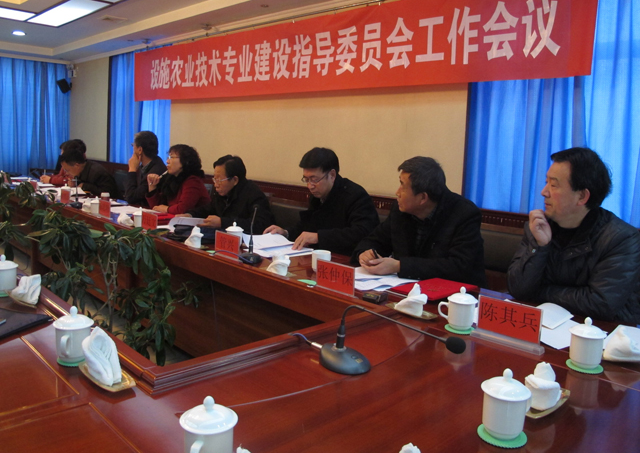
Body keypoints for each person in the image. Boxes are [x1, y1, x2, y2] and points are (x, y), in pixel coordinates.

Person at [508, 147, 640, 324]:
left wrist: (539, 291)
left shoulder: (621, 239)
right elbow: (518, 288)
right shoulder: (540, 226)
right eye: (546, 182)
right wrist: (539, 247)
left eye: (553, 185)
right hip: (546, 325)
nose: (544, 192)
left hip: (602, 332)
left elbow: (600, 303)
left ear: (582, 196)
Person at [354, 156, 486, 286]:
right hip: (409, 289)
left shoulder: (464, 213)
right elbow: (374, 240)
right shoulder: (400, 210)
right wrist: (365, 253)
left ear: (423, 198)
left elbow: (457, 266)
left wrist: (400, 266)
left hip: (458, 293)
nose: (397, 192)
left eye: (402, 186)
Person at [264, 147, 379, 256]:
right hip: (319, 256)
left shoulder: (355, 195)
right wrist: (285, 233)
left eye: (314, 179)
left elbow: (362, 233)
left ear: (332, 175)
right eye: (306, 179)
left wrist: (319, 237)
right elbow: (307, 226)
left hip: (347, 259)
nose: (310, 186)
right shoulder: (317, 195)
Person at [178, 155, 275, 233]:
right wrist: (190, 215)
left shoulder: (254, 194)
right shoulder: (223, 192)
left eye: (219, 180)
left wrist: (223, 223)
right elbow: (208, 209)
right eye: (215, 179)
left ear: (235, 180)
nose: (216, 185)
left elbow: (259, 225)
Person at [146, 144, 210, 214]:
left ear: (185, 161)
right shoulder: (171, 178)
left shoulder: (193, 181)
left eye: (171, 157)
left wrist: (167, 209)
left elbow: (182, 209)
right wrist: (152, 186)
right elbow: (157, 207)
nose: (167, 161)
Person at [124, 131, 167, 206]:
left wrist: (132, 170)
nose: (133, 148)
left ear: (140, 150)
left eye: (133, 145)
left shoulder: (156, 171)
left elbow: (131, 197)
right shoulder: (147, 165)